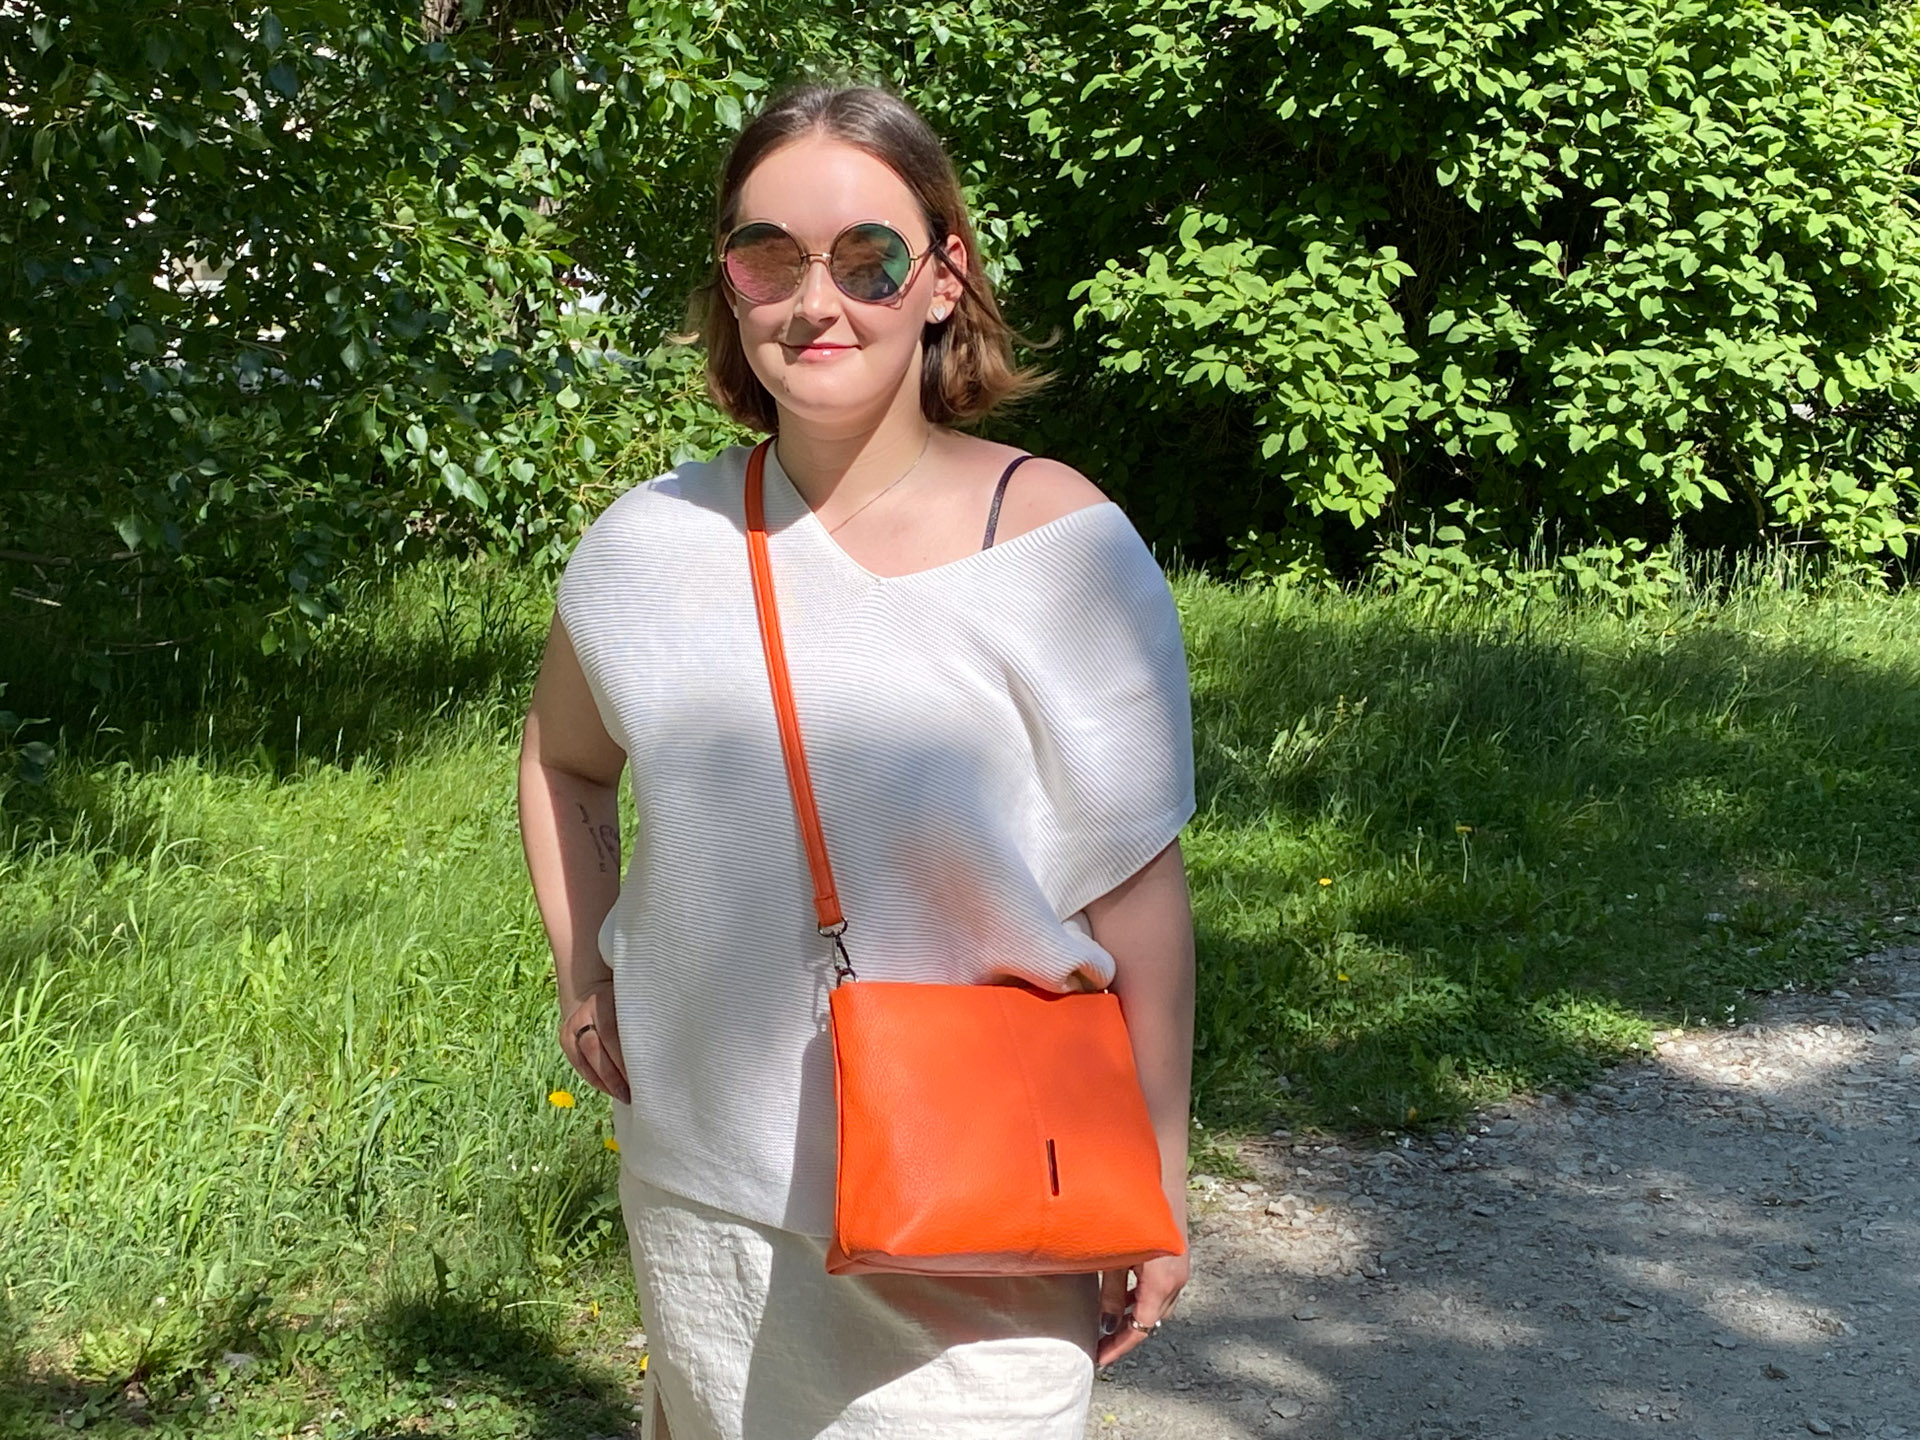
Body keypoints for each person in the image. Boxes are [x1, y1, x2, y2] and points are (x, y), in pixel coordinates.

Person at [517, 81, 1197, 1440]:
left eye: (867, 257)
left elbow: (1139, 891)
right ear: (730, 286)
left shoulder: (1058, 544)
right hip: (708, 1190)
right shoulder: (650, 547)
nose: (814, 300)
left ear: (943, 278)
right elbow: (564, 757)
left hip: (977, 1200)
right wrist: (586, 967)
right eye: (768, 257)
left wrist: (1157, 1175)